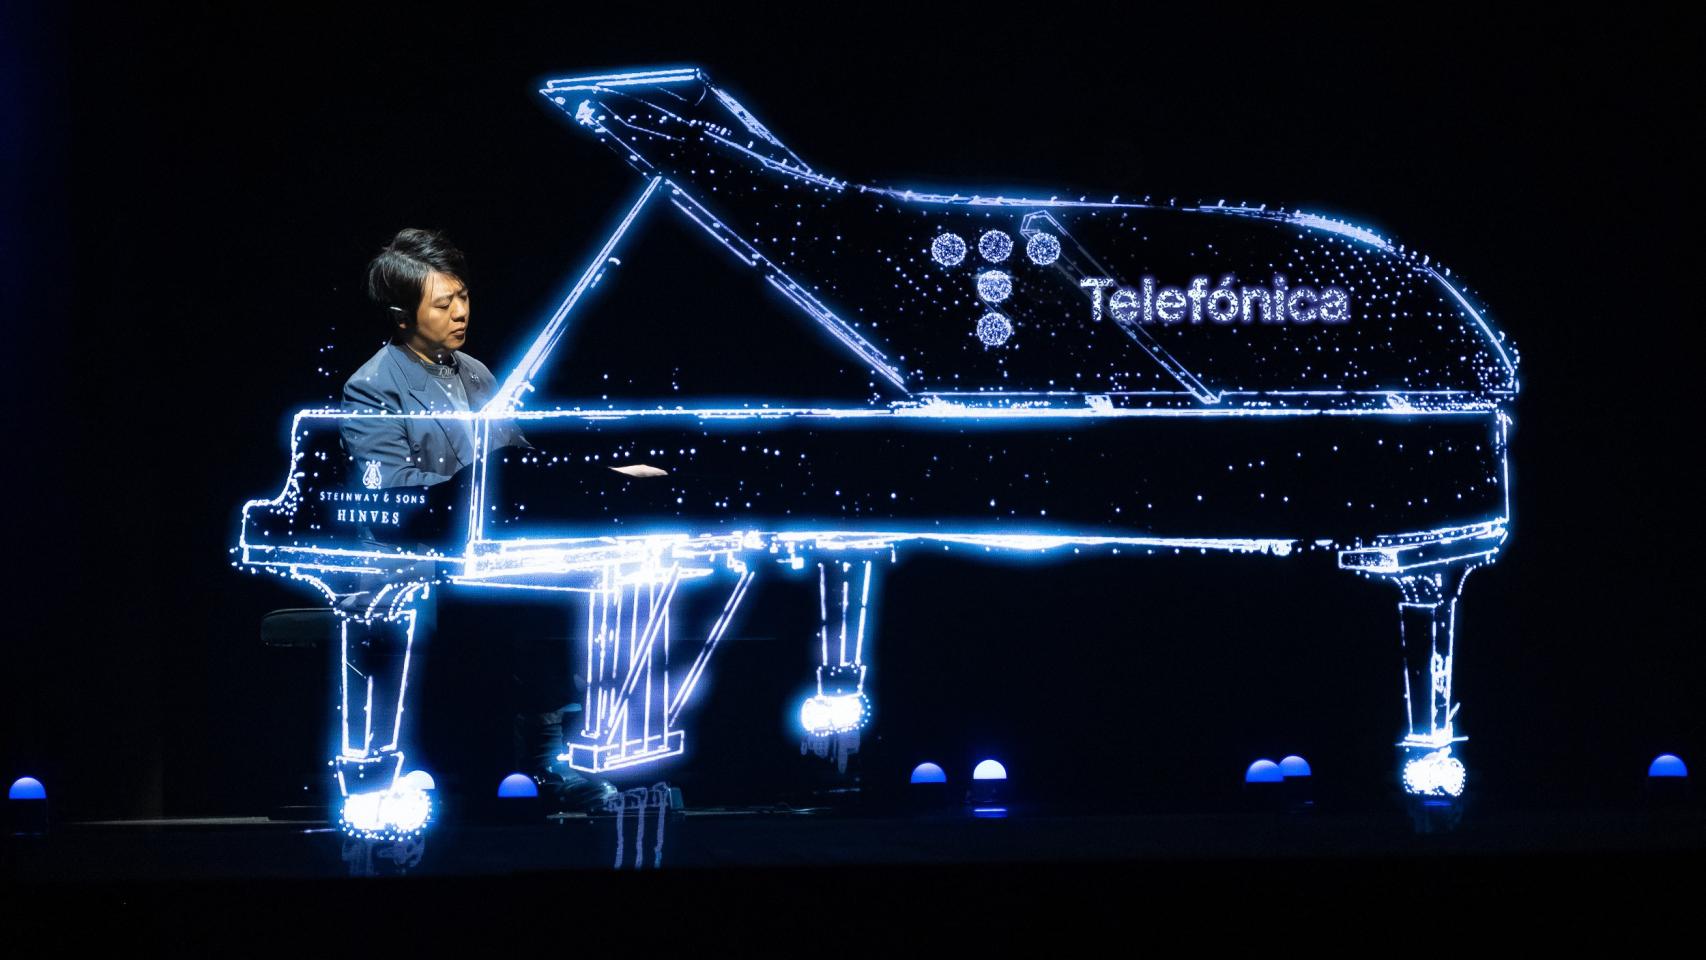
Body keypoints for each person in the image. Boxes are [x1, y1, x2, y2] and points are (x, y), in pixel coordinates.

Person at [340, 227, 616, 813]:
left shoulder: (477, 374)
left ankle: (547, 754)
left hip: (480, 548)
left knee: (568, 579)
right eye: (444, 303)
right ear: (400, 315)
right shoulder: (370, 388)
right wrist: (475, 487)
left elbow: (514, 466)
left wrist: (608, 475)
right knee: (495, 602)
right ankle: (472, 765)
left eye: (463, 297)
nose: (461, 312)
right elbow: (392, 497)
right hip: (409, 555)